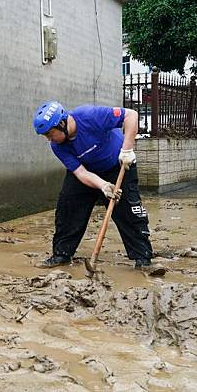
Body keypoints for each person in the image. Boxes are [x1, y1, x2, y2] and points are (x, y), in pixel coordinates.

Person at [32, 101, 159, 273]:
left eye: (49, 133)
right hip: (88, 171)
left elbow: (131, 115)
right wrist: (103, 186)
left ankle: (142, 258)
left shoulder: (90, 116)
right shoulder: (58, 146)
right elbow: (81, 173)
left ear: (62, 124)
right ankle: (61, 254)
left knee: (128, 210)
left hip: (119, 164)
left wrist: (127, 149)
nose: (49, 139)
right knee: (68, 207)